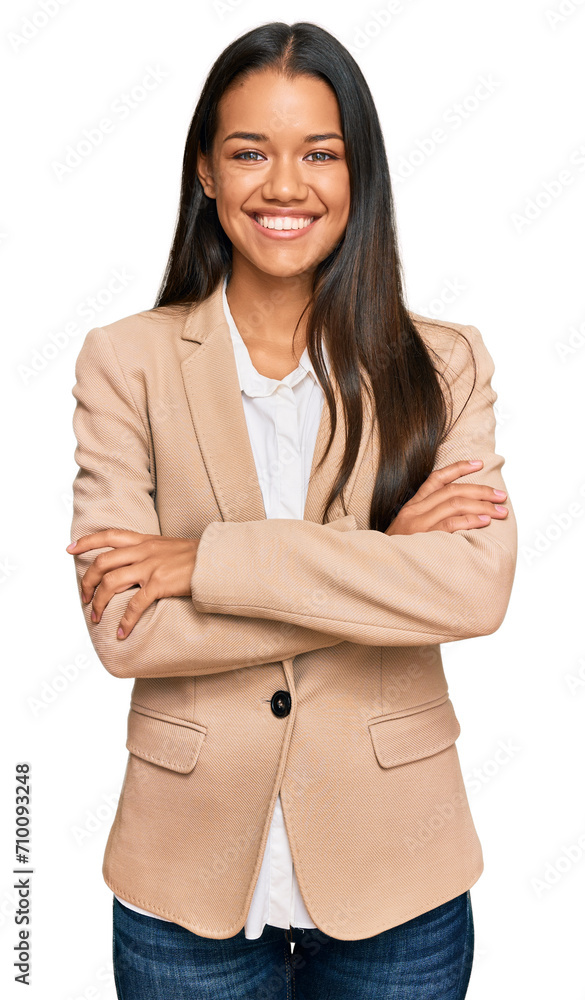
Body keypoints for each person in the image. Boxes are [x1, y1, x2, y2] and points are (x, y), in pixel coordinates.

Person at [67, 20, 517, 1000]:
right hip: (184, 893)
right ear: (205, 173)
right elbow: (122, 625)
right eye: (249, 152)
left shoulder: (445, 362)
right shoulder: (124, 361)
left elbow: (475, 591)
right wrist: (382, 565)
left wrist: (202, 562)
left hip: (401, 879)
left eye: (321, 152)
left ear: (362, 176)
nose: (284, 185)